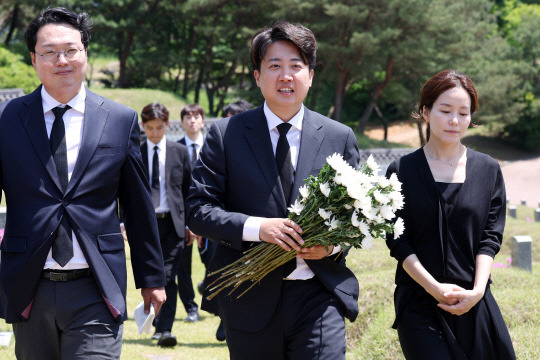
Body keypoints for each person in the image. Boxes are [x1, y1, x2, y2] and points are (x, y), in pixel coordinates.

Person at [186, 21, 360, 360]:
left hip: (318, 294)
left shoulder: (339, 137)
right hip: (248, 296)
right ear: (257, 75)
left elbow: (354, 218)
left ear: (310, 75)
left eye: (296, 66)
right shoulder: (226, 134)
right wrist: (258, 229)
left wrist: (332, 245)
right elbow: (198, 209)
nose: (286, 76)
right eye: (274, 66)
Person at [0, 7, 166, 360]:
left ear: (85, 53)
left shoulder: (119, 120)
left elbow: (137, 206)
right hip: (29, 284)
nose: (62, 60)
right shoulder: (10, 119)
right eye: (49, 52)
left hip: (96, 284)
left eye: (71, 50)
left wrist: (152, 277)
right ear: (34, 59)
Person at [385, 69, 516, 360]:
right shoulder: (400, 171)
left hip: (473, 299)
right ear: (426, 111)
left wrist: (478, 291)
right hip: (418, 301)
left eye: (463, 113)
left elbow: (489, 239)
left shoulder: (488, 169)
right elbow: (398, 241)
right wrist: (433, 288)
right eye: (445, 110)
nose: (455, 120)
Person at [140, 103, 192, 347]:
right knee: (151, 276)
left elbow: (189, 190)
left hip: (174, 223)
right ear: (143, 126)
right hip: (146, 226)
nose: (154, 133)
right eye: (149, 128)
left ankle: (164, 329)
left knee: (168, 276)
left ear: (167, 125)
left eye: (159, 128)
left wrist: (191, 224)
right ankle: (153, 323)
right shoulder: (136, 153)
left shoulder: (180, 152)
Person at [176, 104, 207, 324]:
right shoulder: (174, 149)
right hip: (182, 219)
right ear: (181, 122)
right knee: (182, 268)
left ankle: (213, 300)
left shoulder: (215, 147)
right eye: (188, 117)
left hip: (213, 217)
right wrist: (187, 223)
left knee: (214, 263)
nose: (192, 121)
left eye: (196, 117)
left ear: (203, 121)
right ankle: (190, 308)